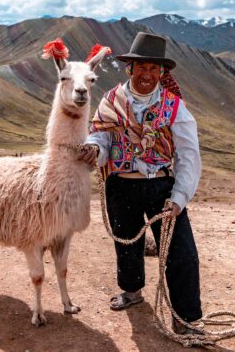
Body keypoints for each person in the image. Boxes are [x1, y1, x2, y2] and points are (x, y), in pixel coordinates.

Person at [79, 32, 203, 335]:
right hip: (121, 185)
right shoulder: (110, 103)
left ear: (161, 73)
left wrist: (179, 197)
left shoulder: (174, 108)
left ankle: (185, 316)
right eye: (141, 68)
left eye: (153, 69)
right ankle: (132, 292)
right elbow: (101, 137)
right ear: (129, 69)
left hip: (162, 186)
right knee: (127, 243)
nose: (147, 75)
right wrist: (94, 149)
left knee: (181, 251)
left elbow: (188, 153)